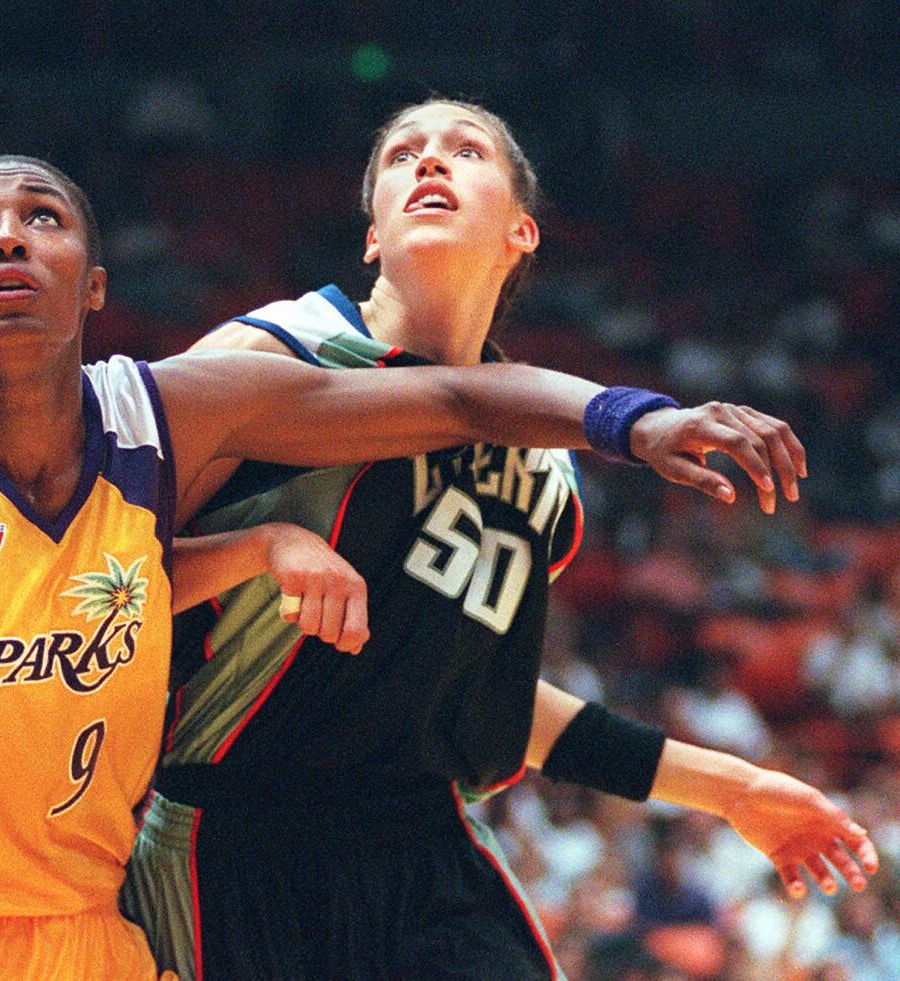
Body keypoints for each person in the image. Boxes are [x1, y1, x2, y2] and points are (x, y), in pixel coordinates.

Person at [0, 154, 790, 980]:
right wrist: (266, 546)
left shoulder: (168, 415)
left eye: (42, 219)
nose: (8, 239)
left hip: (96, 932)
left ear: (94, 286)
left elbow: (451, 402)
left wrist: (631, 422)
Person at [120, 100, 878, 980]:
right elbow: (98, 573)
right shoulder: (276, 349)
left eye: (464, 150)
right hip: (239, 834)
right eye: (403, 155)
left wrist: (733, 788)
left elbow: (481, 697)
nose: (430, 163)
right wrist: (264, 546)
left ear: (522, 231)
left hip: (424, 845)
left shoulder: (544, 477)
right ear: (372, 235)